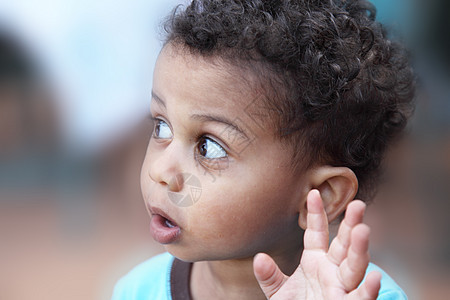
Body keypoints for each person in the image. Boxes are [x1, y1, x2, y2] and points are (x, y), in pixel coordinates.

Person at [112, 0, 414, 299]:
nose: (160, 170)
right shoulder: (138, 290)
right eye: (162, 127)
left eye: (210, 148)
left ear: (318, 196)